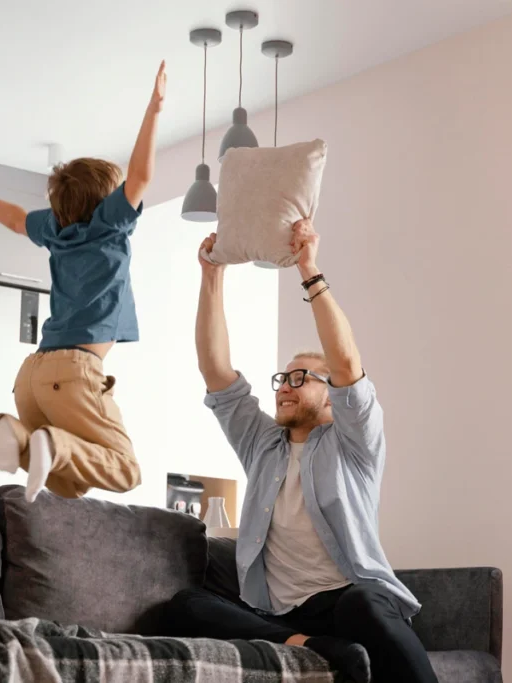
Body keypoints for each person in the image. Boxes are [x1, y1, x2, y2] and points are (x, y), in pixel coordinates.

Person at [166, 220, 438, 683]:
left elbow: (346, 363)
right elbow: (216, 372)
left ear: (331, 395)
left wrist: (309, 270)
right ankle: (312, 648)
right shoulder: (262, 444)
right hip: (282, 615)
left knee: (362, 602)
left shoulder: (354, 443)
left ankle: (333, 643)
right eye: (282, 379)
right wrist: (211, 275)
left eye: (300, 378)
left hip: (349, 601)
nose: (284, 387)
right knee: (187, 605)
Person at [0, 61, 167, 503]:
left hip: (33, 377)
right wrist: (153, 110)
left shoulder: (57, 228)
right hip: (74, 374)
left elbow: (14, 219)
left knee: (69, 483)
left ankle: (23, 438)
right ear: (108, 201)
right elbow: (140, 175)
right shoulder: (109, 225)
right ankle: (42, 442)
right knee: (125, 469)